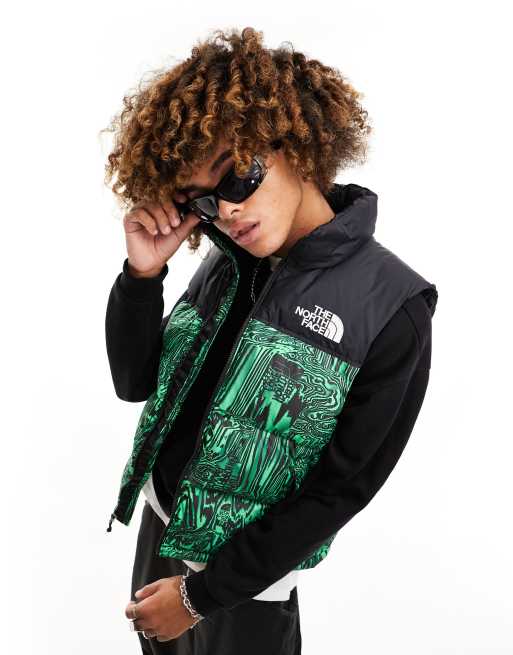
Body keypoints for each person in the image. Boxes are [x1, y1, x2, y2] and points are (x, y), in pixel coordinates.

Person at [102, 26, 438, 654]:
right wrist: (142, 278)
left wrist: (201, 596)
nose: (227, 212)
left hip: (243, 587)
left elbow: (340, 491)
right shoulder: (229, 263)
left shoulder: (392, 307)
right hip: (159, 533)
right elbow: (135, 383)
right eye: (205, 201)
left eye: (237, 178)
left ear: (297, 147)